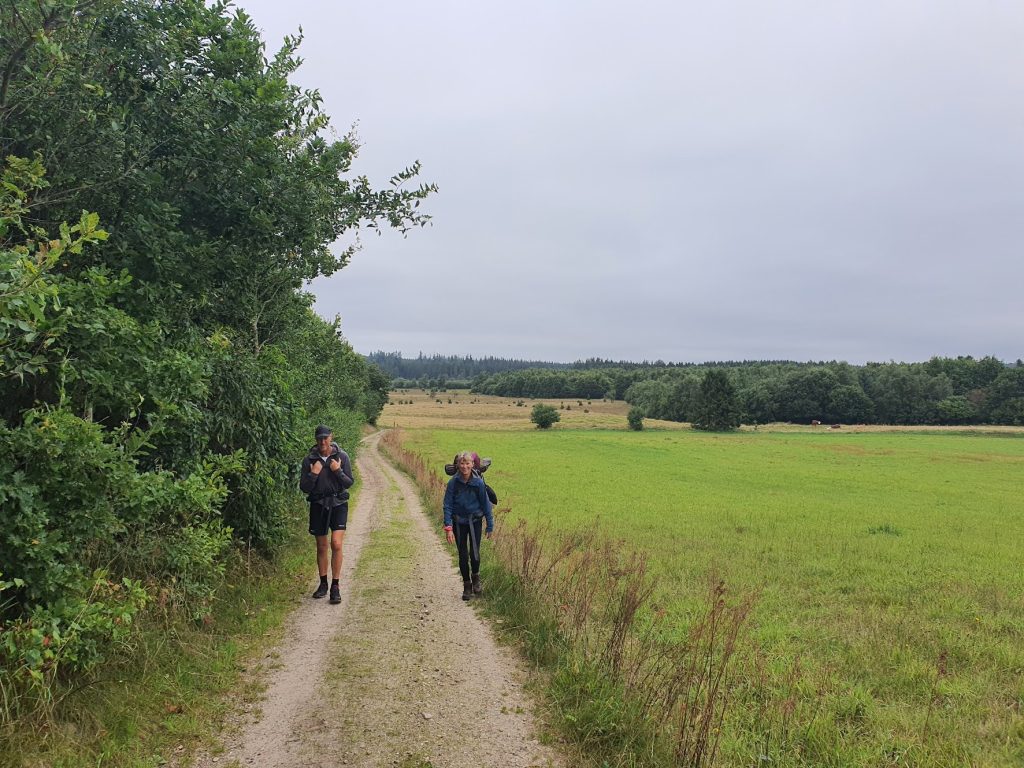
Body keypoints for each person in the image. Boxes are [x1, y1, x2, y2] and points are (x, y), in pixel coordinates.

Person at [299, 425, 354, 604]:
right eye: (319, 438)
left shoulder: (342, 456)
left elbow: (348, 483)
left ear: (331, 437)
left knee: (336, 543)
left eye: (325, 438)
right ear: (316, 439)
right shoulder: (309, 460)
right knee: (322, 546)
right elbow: (304, 488)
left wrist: (337, 470)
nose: (322, 441)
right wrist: (314, 474)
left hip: (338, 503)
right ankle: (323, 583)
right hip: (318, 505)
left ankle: (335, 586)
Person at [443, 451, 494, 601]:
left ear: (472, 465)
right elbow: (447, 505)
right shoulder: (453, 483)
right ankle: (467, 586)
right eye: (462, 463)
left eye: (467, 463)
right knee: (463, 555)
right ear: (458, 465)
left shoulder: (478, 483)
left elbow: (486, 504)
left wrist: (490, 525)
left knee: (475, 553)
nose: (465, 466)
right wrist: (448, 527)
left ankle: (476, 578)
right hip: (459, 523)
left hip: (475, 522)